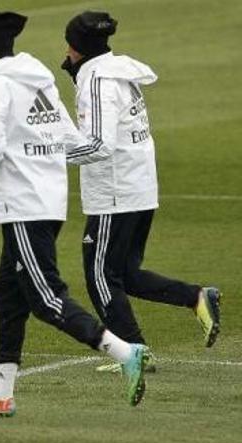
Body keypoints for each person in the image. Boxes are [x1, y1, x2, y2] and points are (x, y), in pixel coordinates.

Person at [0, 10, 150, 416]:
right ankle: (1, 392)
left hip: (21, 203)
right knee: (7, 295)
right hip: (49, 200)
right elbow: (68, 138)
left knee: (46, 298)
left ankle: (123, 350)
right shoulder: (39, 78)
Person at [61, 11, 221, 372]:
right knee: (127, 274)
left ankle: (134, 351)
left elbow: (99, 144)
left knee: (101, 276)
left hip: (115, 190)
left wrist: (51, 155)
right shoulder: (118, 71)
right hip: (139, 184)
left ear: (74, 46)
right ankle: (196, 297)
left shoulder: (97, 81)